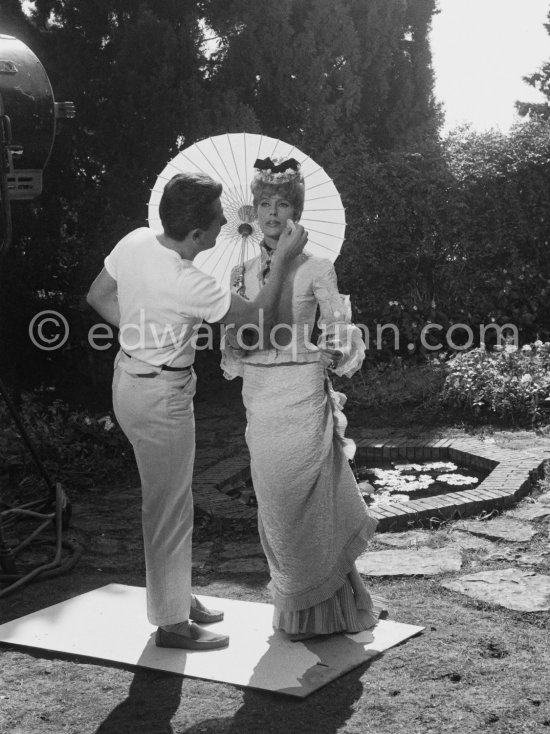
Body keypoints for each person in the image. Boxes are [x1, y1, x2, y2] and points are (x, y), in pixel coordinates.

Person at [86, 172, 307, 650]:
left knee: (171, 499)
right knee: (167, 507)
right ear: (196, 236)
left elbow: (99, 295)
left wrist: (144, 332)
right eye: (216, 220)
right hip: (160, 396)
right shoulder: (190, 282)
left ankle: (176, 596)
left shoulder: (137, 240)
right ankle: (170, 623)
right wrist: (284, 261)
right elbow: (255, 315)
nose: (226, 223)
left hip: (129, 380)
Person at [222, 157, 383, 640]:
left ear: (296, 209)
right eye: (265, 203)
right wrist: (239, 338)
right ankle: (295, 600)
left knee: (310, 500)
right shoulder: (241, 271)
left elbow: (337, 328)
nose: (272, 213)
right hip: (262, 397)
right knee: (275, 499)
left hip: (303, 394)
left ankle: (330, 607)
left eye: (283, 203)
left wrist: (336, 349)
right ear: (253, 208)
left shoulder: (319, 266)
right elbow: (236, 338)